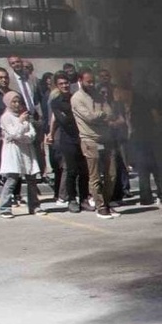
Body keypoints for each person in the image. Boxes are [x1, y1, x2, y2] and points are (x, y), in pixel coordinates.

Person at [71, 69, 123, 219]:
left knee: (111, 174)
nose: (92, 84)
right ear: (80, 80)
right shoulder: (77, 98)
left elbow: (110, 111)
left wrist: (102, 115)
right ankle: (100, 207)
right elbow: (90, 117)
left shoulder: (98, 95)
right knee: (95, 176)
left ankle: (107, 202)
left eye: (93, 81)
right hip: (89, 139)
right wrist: (101, 115)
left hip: (106, 139)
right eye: (88, 81)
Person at [0, 92, 44, 218]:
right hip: (13, 151)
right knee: (12, 179)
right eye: (14, 102)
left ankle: (34, 205)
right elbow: (13, 133)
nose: (17, 105)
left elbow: (31, 134)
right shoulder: (6, 117)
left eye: (19, 102)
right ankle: (5, 208)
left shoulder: (24, 116)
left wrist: (22, 135)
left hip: (26, 150)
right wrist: (21, 124)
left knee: (32, 179)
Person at [47, 73, 86, 213]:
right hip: (68, 139)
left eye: (66, 83)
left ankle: (84, 198)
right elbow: (63, 121)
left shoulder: (75, 97)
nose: (65, 85)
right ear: (57, 86)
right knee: (71, 170)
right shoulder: (56, 102)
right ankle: (72, 199)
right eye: (61, 84)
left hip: (81, 137)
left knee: (84, 170)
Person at [0, 67, 12, 189]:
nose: (4, 80)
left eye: (5, 77)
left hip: (11, 131)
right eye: (0, 78)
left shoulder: (12, 94)